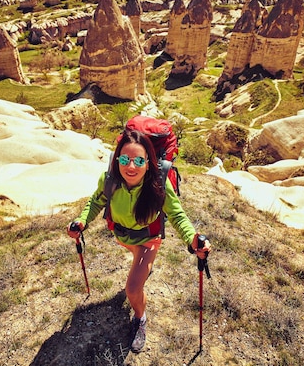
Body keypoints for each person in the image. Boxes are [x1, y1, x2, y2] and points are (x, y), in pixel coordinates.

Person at [67, 128, 211, 353]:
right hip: (123, 235)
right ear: (116, 160)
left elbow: (176, 214)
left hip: (148, 239)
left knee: (133, 289)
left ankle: (140, 319)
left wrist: (193, 239)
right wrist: (82, 221)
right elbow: (95, 202)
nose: (130, 166)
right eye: (124, 159)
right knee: (137, 261)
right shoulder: (110, 181)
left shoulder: (158, 185)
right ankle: (143, 268)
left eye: (138, 160)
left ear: (148, 162)